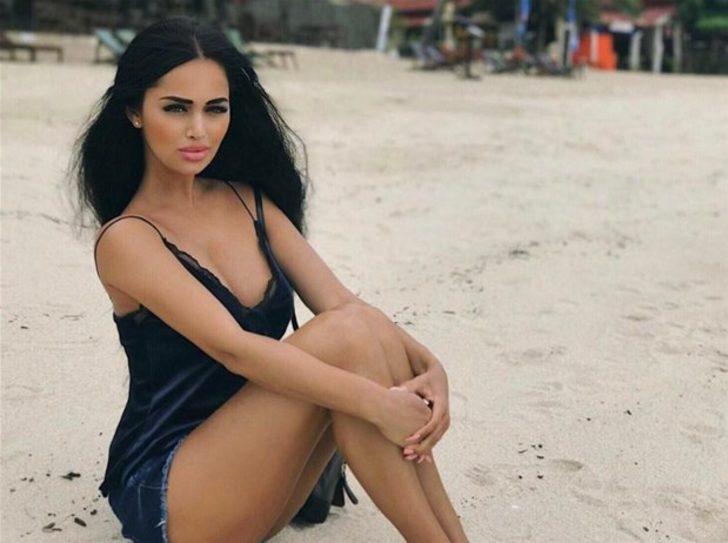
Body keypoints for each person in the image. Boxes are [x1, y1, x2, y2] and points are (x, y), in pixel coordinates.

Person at [69, 15, 467, 543]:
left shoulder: (248, 201)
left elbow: (345, 305)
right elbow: (235, 350)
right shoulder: (128, 239)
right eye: (176, 108)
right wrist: (378, 403)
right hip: (171, 492)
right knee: (349, 338)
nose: (198, 130)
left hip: (257, 479)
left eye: (215, 109)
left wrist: (429, 366)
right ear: (134, 112)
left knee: (357, 325)